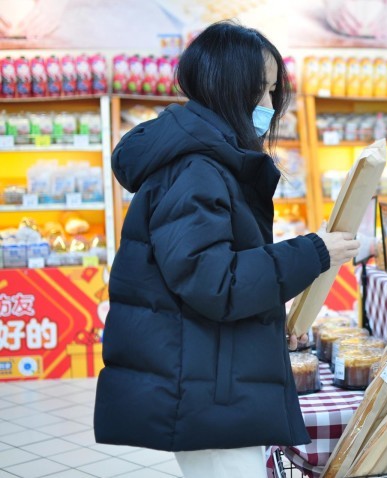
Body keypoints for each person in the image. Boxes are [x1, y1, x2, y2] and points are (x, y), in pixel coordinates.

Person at [93, 21, 360, 478]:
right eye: (261, 90)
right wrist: (312, 252)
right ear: (228, 88)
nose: (269, 105)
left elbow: (205, 284)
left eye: (274, 90)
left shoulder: (208, 158)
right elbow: (215, 282)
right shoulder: (197, 167)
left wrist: (268, 323)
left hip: (207, 379)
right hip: (201, 394)